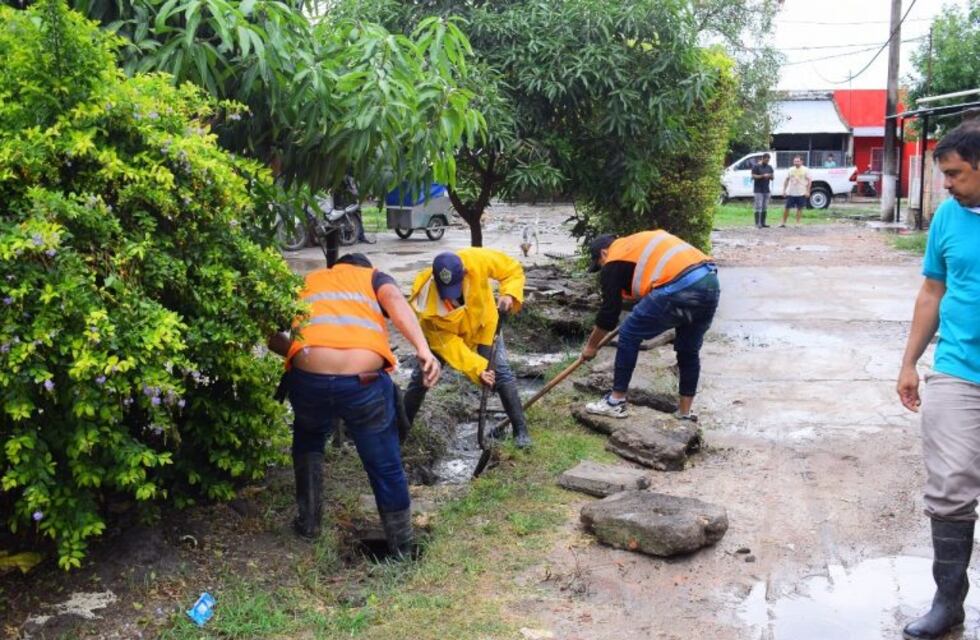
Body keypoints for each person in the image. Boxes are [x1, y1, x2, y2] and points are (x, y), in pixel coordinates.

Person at [268, 253, 440, 557]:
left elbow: (270, 333)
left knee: (308, 439)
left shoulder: (308, 281)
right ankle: (401, 547)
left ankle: (309, 524)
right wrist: (423, 349)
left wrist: (301, 352)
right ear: (365, 267)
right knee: (385, 462)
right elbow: (396, 301)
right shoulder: (373, 278)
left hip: (309, 381)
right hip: (363, 384)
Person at [897, 121, 980, 640]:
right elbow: (932, 290)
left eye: (955, 174)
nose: (946, 184)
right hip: (957, 369)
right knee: (950, 487)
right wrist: (910, 362)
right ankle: (948, 602)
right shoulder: (948, 217)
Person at [580, 231, 720, 421]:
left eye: (599, 264)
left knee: (629, 334)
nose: (602, 268)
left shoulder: (614, 259)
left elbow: (608, 314)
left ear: (604, 253)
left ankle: (615, 402)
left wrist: (591, 346)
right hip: (709, 282)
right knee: (688, 350)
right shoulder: (634, 246)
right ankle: (684, 413)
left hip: (679, 286)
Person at [404, 249, 532, 448]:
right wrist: (477, 368)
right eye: (446, 291)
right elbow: (448, 345)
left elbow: (512, 270)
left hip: (483, 325)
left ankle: (521, 431)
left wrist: (509, 293)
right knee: (422, 378)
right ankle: (401, 430)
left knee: (500, 371)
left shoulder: (477, 260)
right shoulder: (426, 304)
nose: (452, 299)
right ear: (435, 279)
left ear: (464, 273)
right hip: (447, 337)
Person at [781, 155, 811, 227]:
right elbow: (787, 180)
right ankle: (783, 223)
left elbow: (809, 180)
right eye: (795, 161)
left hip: (801, 192)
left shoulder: (805, 170)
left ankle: (797, 223)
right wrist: (784, 190)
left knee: (799, 208)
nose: (796, 162)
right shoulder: (790, 169)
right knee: (787, 208)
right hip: (791, 192)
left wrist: (808, 191)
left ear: (801, 162)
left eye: (798, 161)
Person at [751, 153, 774, 228]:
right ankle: (757, 223)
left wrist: (770, 176)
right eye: (766, 159)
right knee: (758, 206)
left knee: (765, 206)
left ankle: (763, 223)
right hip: (758, 189)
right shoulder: (756, 166)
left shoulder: (769, 167)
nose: (767, 161)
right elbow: (753, 176)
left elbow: (772, 177)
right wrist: (762, 176)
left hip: (766, 189)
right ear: (762, 159)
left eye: (768, 160)